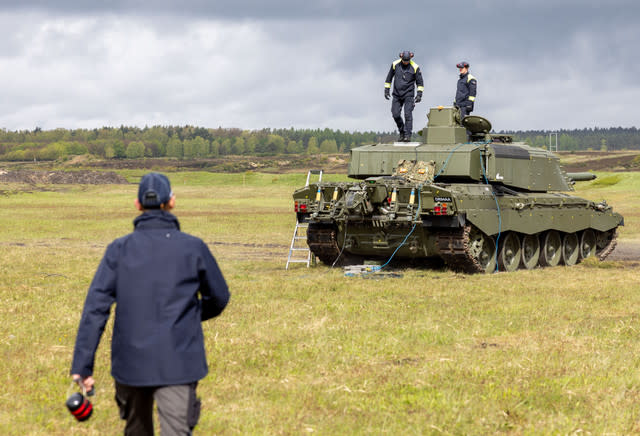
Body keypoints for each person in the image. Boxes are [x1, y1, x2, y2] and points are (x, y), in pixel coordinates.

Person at [70, 172, 230, 436]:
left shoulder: (118, 250)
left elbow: (95, 310)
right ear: (172, 202)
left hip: (130, 366)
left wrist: (82, 366)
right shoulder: (193, 248)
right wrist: (189, 316)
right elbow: (219, 297)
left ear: (137, 204)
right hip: (179, 364)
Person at [385, 51, 424, 142]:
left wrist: (419, 95)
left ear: (410, 59)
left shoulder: (415, 67)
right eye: (404, 61)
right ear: (401, 58)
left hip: (408, 95)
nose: (406, 62)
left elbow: (420, 83)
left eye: (407, 61)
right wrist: (386, 90)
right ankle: (402, 131)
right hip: (397, 94)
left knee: (408, 114)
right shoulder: (395, 64)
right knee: (395, 114)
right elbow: (389, 78)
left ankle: (407, 135)